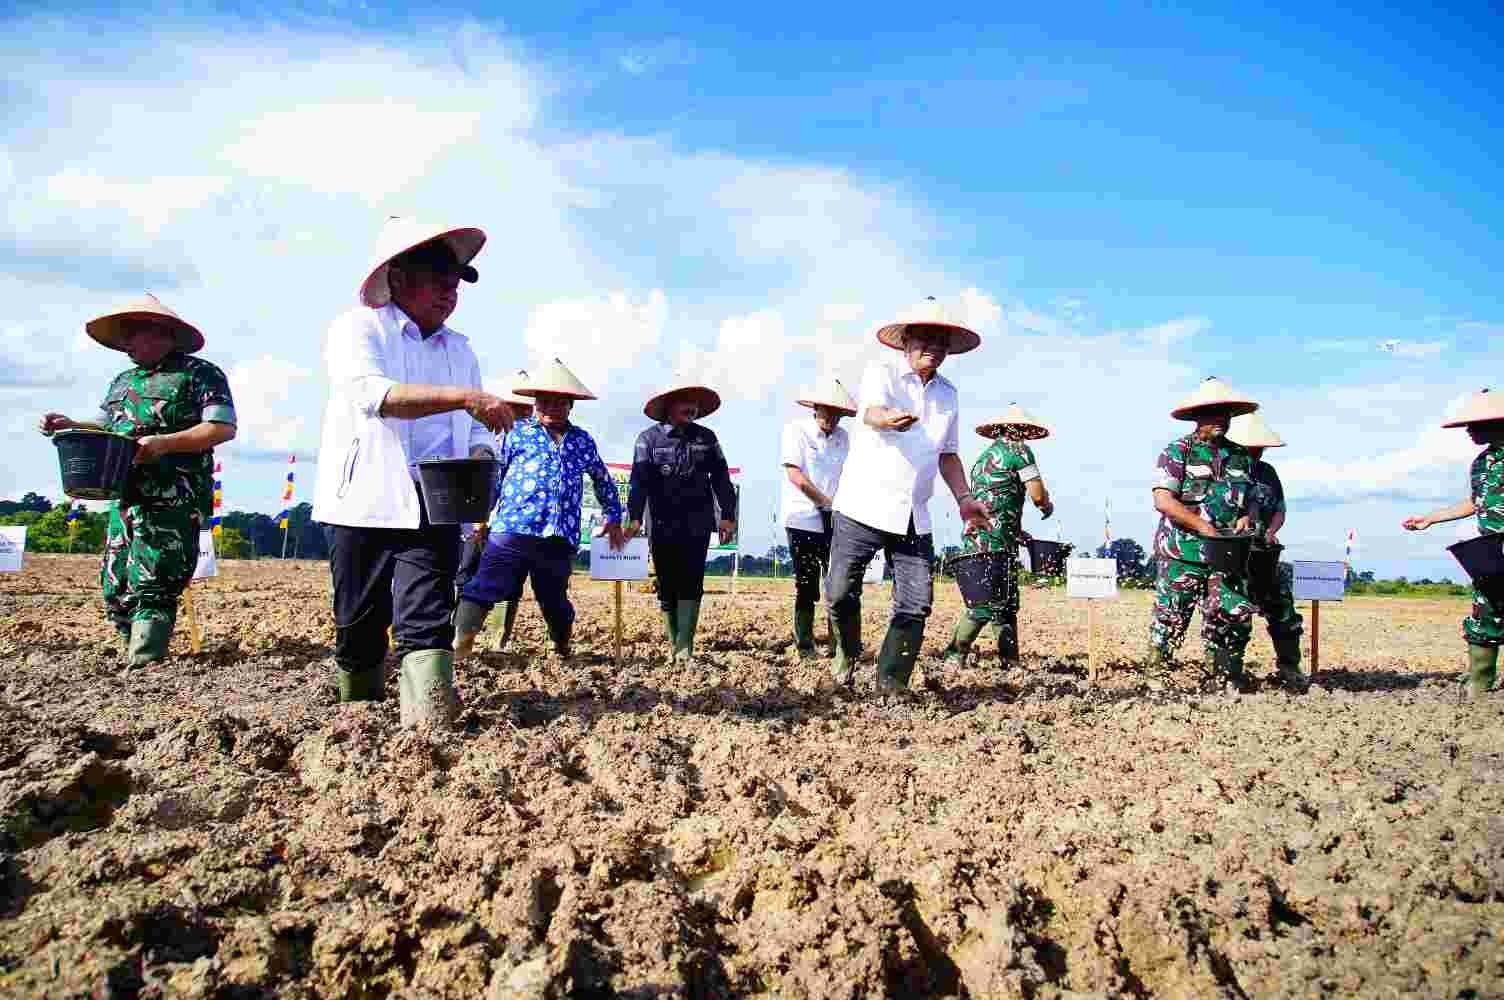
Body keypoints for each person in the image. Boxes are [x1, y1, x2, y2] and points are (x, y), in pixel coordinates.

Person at [311, 218, 514, 726]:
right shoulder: (359, 329)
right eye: (437, 279)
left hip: (438, 498)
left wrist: (482, 454)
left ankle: (429, 720)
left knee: (428, 613)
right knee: (358, 620)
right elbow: (377, 396)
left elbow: (478, 428)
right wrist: (465, 398)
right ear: (398, 278)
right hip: (364, 500)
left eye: (456, 282)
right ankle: (357, 716)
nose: (449, 291)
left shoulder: (460, 349)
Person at [39, 294, 237, 668]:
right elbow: (109, 428)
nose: (126, 344)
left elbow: (221, 427)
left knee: (155, 580)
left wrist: (164, 444)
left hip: (174, 496)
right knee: (115, 584)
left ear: (162, 333)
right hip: (126, 495)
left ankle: (145, 664)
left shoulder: (199, 374)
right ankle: (134, 652)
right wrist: (72, 425)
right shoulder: (122, 382)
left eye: (132, 335)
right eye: (124, 337)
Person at [824, 298, 991, 693]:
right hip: (863, 504)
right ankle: (847, 650)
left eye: (942, 340)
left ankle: (891, 683)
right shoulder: (881, 372)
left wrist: (965, 499)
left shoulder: (948, 394)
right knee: (839, 593)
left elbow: (948, 454)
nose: (934, 346)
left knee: (916, 603)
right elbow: (870, 411)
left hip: (915, 512)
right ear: (905, 341)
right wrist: (886, 419)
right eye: (925, 338)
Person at [452, 359, 624, 661]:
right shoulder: (515, 432)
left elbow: (601, 478)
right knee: (484, 586)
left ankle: (561, 645)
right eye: (544, 401)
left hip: (560, 534)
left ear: (570, 405)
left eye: (559, 402)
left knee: (554, 598)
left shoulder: (582, 440)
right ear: (534, 402)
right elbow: (495, 477)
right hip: (513, 529)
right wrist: (480, 518)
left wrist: (613, 514)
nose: (551, 407)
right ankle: (461, 647)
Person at [1149, 377, 1258, 690]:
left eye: (1226, 414)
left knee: (1231, 615)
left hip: (1228, 555)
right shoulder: (1177, 451)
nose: (1221, 419)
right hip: (1183, 552)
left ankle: (1224, 677)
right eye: (1213, 413)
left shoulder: (1241, 456)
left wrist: (1247, 518)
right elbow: (1163, 500)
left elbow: (1251, 501)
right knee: (1171, 616)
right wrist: (1203, 527)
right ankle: (1157, 676)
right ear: (1198, 416)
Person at [626, 378, 737, 666]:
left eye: (695, 404)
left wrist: (728, 515)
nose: (692, 408)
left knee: (692, 580)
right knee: (666, 582)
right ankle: (674, 640)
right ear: (668, 406)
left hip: (697, 520)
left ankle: (685, 645)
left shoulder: (707, 438)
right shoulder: (647, 439)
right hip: (661, 521)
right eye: (685, 402)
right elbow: (638, 482)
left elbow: (722, 478)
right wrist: (634, 517)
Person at [1403, 388, 1504, 699]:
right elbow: (1476, 502)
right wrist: (1431, 518)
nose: (1468, 431)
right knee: (1485, 614)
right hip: (1492, 551)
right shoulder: (1482, 462)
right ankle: (1480, 686)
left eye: (1474, 425)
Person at [942, 404, 1055, 668]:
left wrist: (1016, 530)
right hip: (993, 542)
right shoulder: (1020, 451)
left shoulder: (985, 456)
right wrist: (1046, 505)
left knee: (1005, 603)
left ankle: (1010, 661)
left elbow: (995, 499)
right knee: (984, 606)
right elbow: (1037, 494)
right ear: (1021, 429)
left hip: (982, 538)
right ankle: (954, 655)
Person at [455, 369, 534, 649]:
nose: (517, 413)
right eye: (512, 407)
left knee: (509, 581)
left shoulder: (533, 440)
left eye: (523, 408)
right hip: (476, 519)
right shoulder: (480, 435)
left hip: (508, 525)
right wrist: (478, 519)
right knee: (465, 572)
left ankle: (497, 637)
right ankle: (458, 633)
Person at [1226, 411, 1305, 689]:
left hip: (1264, 553)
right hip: (1233, 556)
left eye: (1261, 448)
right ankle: (1229, 674)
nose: (1257, 452)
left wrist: (1271, 531)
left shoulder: (1268, 472)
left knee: (1283, 610)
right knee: (1233, 615)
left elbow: (1280, 510)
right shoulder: (1224, 471)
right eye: (1252, 447)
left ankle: (1289, 667)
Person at [780, 377, 857, 660]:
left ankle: (838, 645)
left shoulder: (844, 438)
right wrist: (824, 501)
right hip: (803, 519)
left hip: (836, 520)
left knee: (838, 584)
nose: (831, 417)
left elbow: (850, 475)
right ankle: (805, 644)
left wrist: (840, 507)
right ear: (816, 408)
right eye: (827, 410)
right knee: (806, 584)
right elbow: (795, 475)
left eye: (837, 413)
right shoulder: (797, 430)